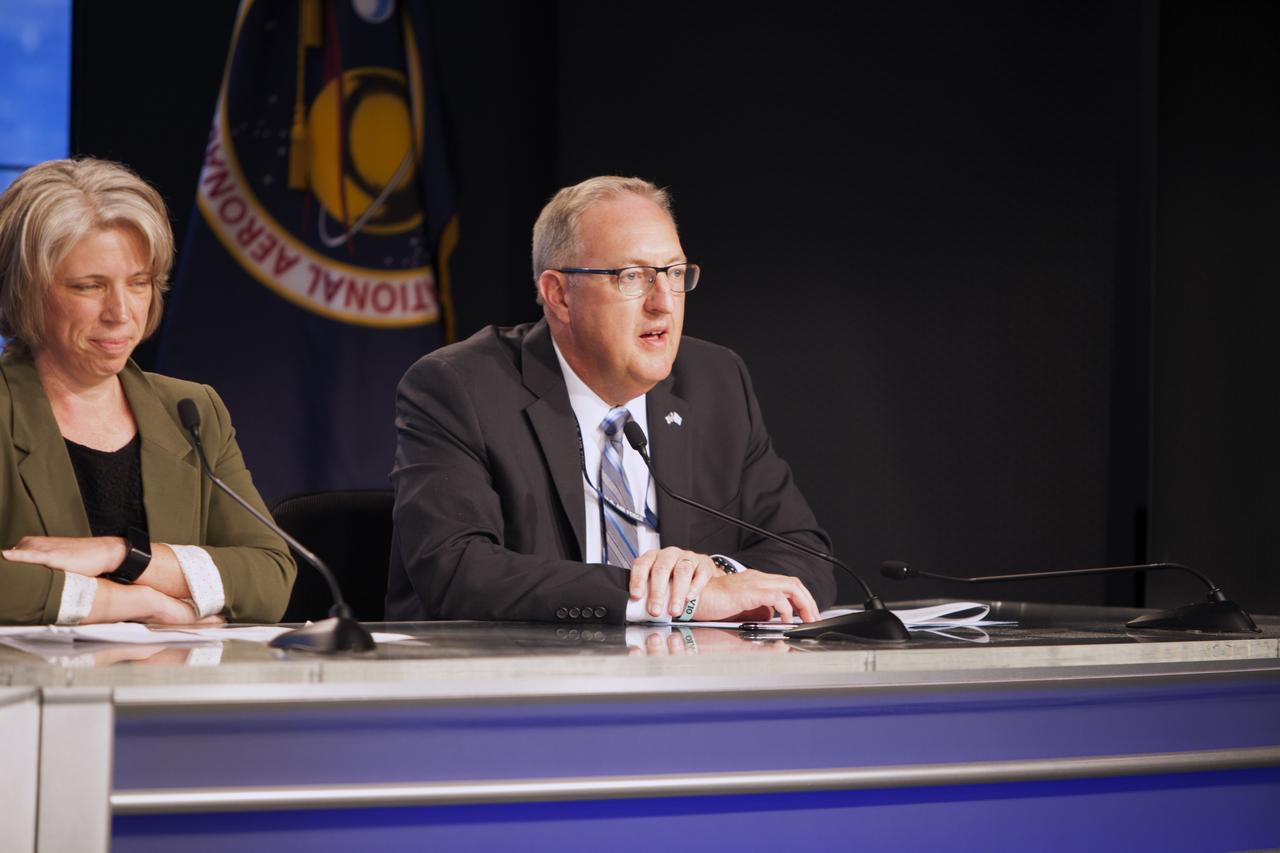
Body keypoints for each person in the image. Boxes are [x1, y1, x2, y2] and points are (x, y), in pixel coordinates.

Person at [387, 176, 836, 624]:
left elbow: (807, 556)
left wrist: (717, 576)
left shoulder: (716, 381)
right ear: (559, 295)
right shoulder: (459, 388)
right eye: (632, 276)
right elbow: (458, 571)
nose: (664, 303)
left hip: (688, 680)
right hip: (521, 681)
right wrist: (663, 598)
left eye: (675, 274)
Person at [0, 158, 295, 625]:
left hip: (168, 690)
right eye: (89, 286)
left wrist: (121, 555)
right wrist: (139, 602)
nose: (121, 312)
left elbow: (270, 576)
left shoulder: (192, 409)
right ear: (26, 291)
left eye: (138, 283)